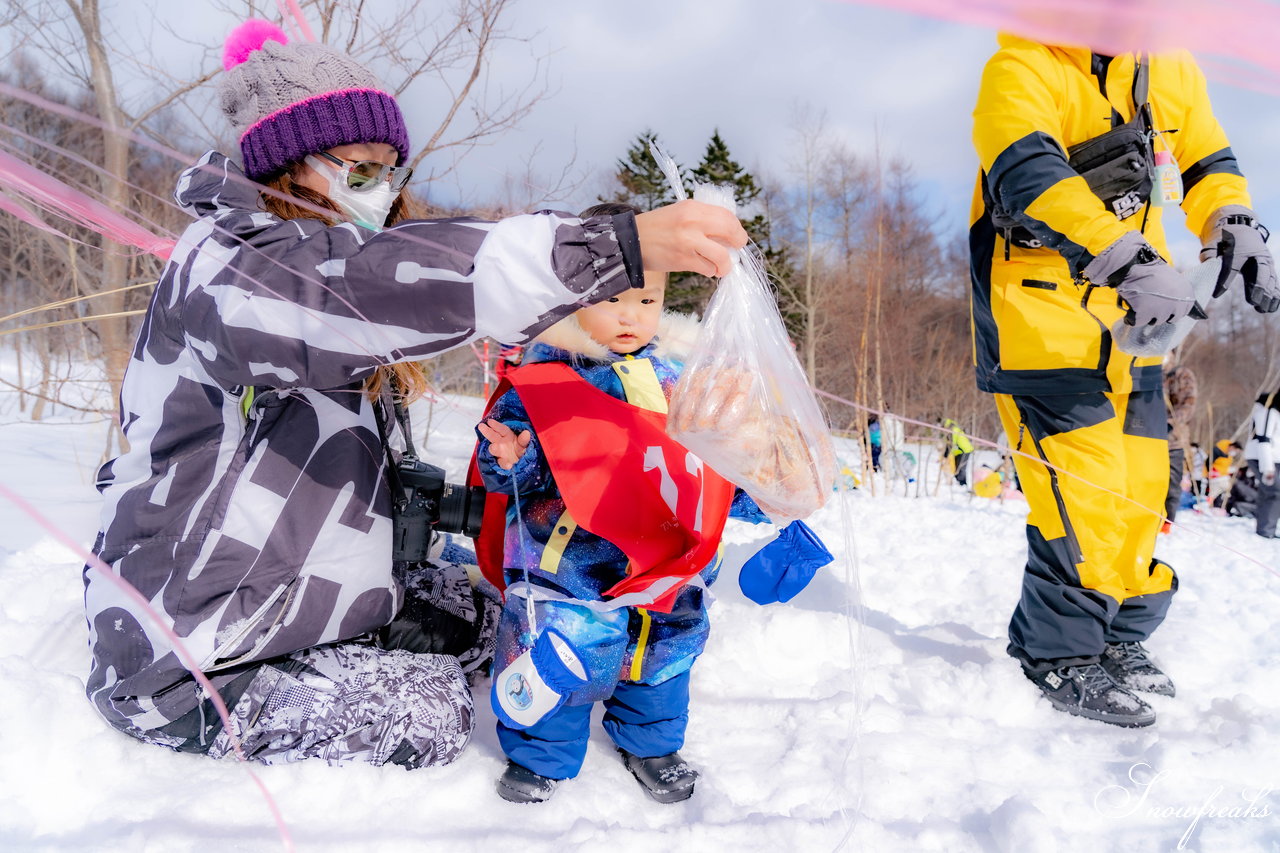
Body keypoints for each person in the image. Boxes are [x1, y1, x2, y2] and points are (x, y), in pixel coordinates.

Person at [82, 22, 749, 769]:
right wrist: (608, 251)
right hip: (186, 646)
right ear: (288, 163)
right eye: (361, 167)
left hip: (289, 593)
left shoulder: (331, 273)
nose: (384, 187)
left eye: (391, 168)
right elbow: (367, 288)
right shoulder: (230, 270)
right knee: (431, 713)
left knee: (503, 621)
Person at [969, 36, 1280, 726]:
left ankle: (1116, 633)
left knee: (1143, 486)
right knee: (1086, 489)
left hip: (1132, 332)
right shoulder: (1022, 67)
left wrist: (1230, 217)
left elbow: (1205, 156)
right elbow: (1029, 172)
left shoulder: (1168, 62)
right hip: (1039, 328)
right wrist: (1121, 255)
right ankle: (1056, 652)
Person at [474, 203, 783, 803]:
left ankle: (652, 742)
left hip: (666, 564)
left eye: (646, 301)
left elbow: (709, 468)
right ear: (572, 295)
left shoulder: (681, 377)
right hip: (567, 566)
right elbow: (511, 458)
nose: (630, 316)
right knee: (560, 655)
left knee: (662, 658)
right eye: (612, 298)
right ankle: (543, 753)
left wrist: (759, 488)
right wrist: (514, 456)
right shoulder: (547, 374)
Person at [1162, 360, 1198, 530]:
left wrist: (1170, 422)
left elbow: (1188, 404)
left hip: (1172, 440)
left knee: (1171, 483)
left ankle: (1167, 522)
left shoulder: (1179, 374)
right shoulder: (1144, 369)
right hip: (1144, 435)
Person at [1244, 390, 1280, 537]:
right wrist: (1268, 469)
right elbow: (1263, 440)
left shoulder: (1274, 414)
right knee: (1274, 493)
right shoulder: (1267, 413)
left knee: (1268, 493)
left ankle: (1266, 527)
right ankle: (1266, 530)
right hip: (1263, 459)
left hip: (1272, 458)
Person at [942, 418, 973, 486]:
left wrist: (945, 456)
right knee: (956, 466)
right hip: (959, 451)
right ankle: (958, 481)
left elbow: (950, 444)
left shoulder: (953, 430)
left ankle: (962, 483)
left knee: (961, 466)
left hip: (965, 450)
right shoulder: (954, 429)